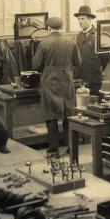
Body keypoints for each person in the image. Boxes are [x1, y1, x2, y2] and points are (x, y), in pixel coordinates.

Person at [32, 16, 82, 156]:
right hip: (67, 81)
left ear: (48, 28)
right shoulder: (71, 42)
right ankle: (71, 148)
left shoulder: (44, 43)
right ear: (62, 27)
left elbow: (36, 65)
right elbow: (78, 62)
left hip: (50, 82)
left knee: (51, 116)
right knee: (68, 115)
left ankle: (53, 149)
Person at [73, 5, 110, 95]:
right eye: (79, 19)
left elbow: (106, 58)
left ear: (90, 19)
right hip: (80, 79)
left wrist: (96, 69)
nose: (80, 22)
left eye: (82, 19)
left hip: (94, 80)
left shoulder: (98, 35)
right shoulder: (78, 36)